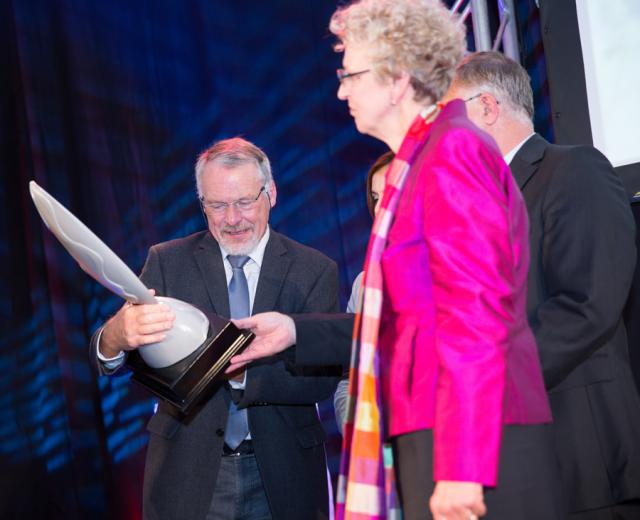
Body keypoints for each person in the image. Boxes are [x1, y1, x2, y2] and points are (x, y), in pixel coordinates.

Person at [231, 1, 564, 519]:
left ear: (398, 80)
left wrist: (461, 467)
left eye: (352, 74)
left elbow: (475, 317)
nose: (340, 89)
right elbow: (406, 320)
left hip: (473, 445)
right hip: (440, 430)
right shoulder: (418, 166)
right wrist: (296, 331)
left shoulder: (451, 152)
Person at [90, 137, 341, 520]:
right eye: (217, 205)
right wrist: (114, 339)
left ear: (270, 193)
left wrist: (236, 373)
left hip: (283, 473)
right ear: (201, 203)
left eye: (244, 202)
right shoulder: (167, 261)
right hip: (188, 471)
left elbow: (321, 378)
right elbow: (121, 356)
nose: (232, 218)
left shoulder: (314, 269)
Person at [443, 51, 640, 520]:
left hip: (581, 454)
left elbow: (587, 304)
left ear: (487, 107)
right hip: (517, 467)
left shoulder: (572, 171)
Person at [334, 150, 393, 433]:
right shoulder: (365, 284)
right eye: (376, 198)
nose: (381, 208)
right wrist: (359, 432)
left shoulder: (455, 267)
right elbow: (348, 376)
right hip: (380, 448)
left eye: (392, 194)